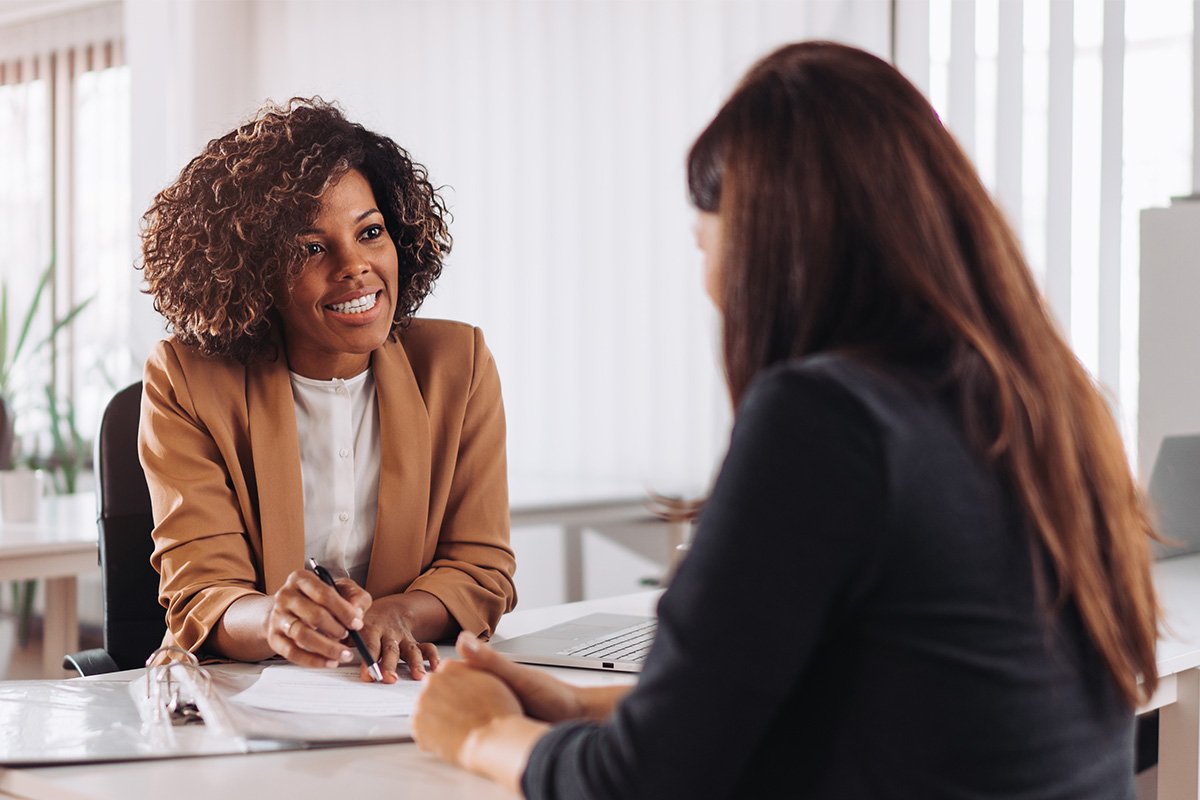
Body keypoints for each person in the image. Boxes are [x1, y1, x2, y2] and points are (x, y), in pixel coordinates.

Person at [410, 41, 1159, 798]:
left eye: (705, 243)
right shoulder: (1054, 404)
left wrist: (481, 733)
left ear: (767, 245)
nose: (708, 286)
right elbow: (885, 702)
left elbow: (642, 786)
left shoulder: (827, 418)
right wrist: (579, 703)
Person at [138, 99, 516, 683]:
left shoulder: (456, 364)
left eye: (370, 233)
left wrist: (398, 615)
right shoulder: (186, 379)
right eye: (312, 248)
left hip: (399, 691)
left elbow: (480, 568)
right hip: (241, 698)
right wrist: (274, 621)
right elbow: (203, 592)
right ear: (254, 269)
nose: (355, 266)